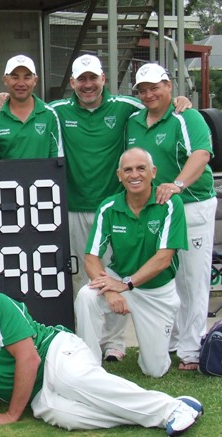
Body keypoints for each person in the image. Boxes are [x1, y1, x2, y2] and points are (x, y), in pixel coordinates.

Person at [0, 54, 191, 362]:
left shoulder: (127, 106)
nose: (87, 85)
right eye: (81, 80)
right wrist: (1, 100)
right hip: (70, 207)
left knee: (115, 272)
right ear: (72, 83)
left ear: (103, 80)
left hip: (112, 207)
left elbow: (156, 105)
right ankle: (86, 342)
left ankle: (114, 343)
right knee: (79, 279)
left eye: (92, 78)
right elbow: (25, 104)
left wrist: (178, 100)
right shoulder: (56, 111)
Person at [0, 271, 203, 434]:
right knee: (66, 416)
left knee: (73, 381)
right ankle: (163, 408)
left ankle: (171, 410)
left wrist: (12, 415)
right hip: (37, 394)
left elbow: (29, 358)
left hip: (55, 351)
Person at [126, 63, 216, 371]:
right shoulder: (134, 121)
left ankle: (192, 349)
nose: (149, 94)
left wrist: (177, 185)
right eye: (143, 89)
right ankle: (175, 341)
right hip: (157, 209)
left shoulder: (186, 116)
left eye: (155, 87)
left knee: (193, 279)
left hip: (191, 204)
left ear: (169, 86)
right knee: (169, 276)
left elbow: (201, 155)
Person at [75, 148, 187, 377]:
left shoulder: (170, 204)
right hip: (120, 281)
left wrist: (125, 285)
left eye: (141, 168)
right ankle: (88, 366)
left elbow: (164, 259)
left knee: (154, 370)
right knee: (87, 295)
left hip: (156, 291)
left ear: (153, 172)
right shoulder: (108, 207)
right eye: (128, 170)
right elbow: (91, 258)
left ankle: (151, 349)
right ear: (119, 175)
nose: (134, 175)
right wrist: (109, 291)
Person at [0, 55, 62, 159]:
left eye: (27, 77)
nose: (21, 83)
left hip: (43, 176)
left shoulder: (49, 114)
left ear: (35, 80)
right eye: (15, 77)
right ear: (5, 80)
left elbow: (57, 159)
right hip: (5, 176)